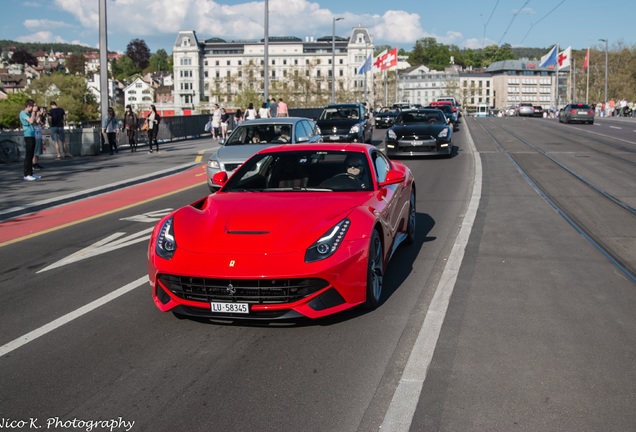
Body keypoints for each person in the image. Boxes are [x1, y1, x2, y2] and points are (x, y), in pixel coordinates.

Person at [20, 99, 40, 181]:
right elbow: (31, 121)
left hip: (32, 135)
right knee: (28, 156)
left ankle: (31, 173)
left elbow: (35, 122)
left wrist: (38, 114)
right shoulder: (23, 113)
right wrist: (34, 113)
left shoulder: (29, 114)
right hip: (28, 136)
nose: (34, 108)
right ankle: (26, 174)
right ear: (29, 106)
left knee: (31, 155)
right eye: (33, 106)